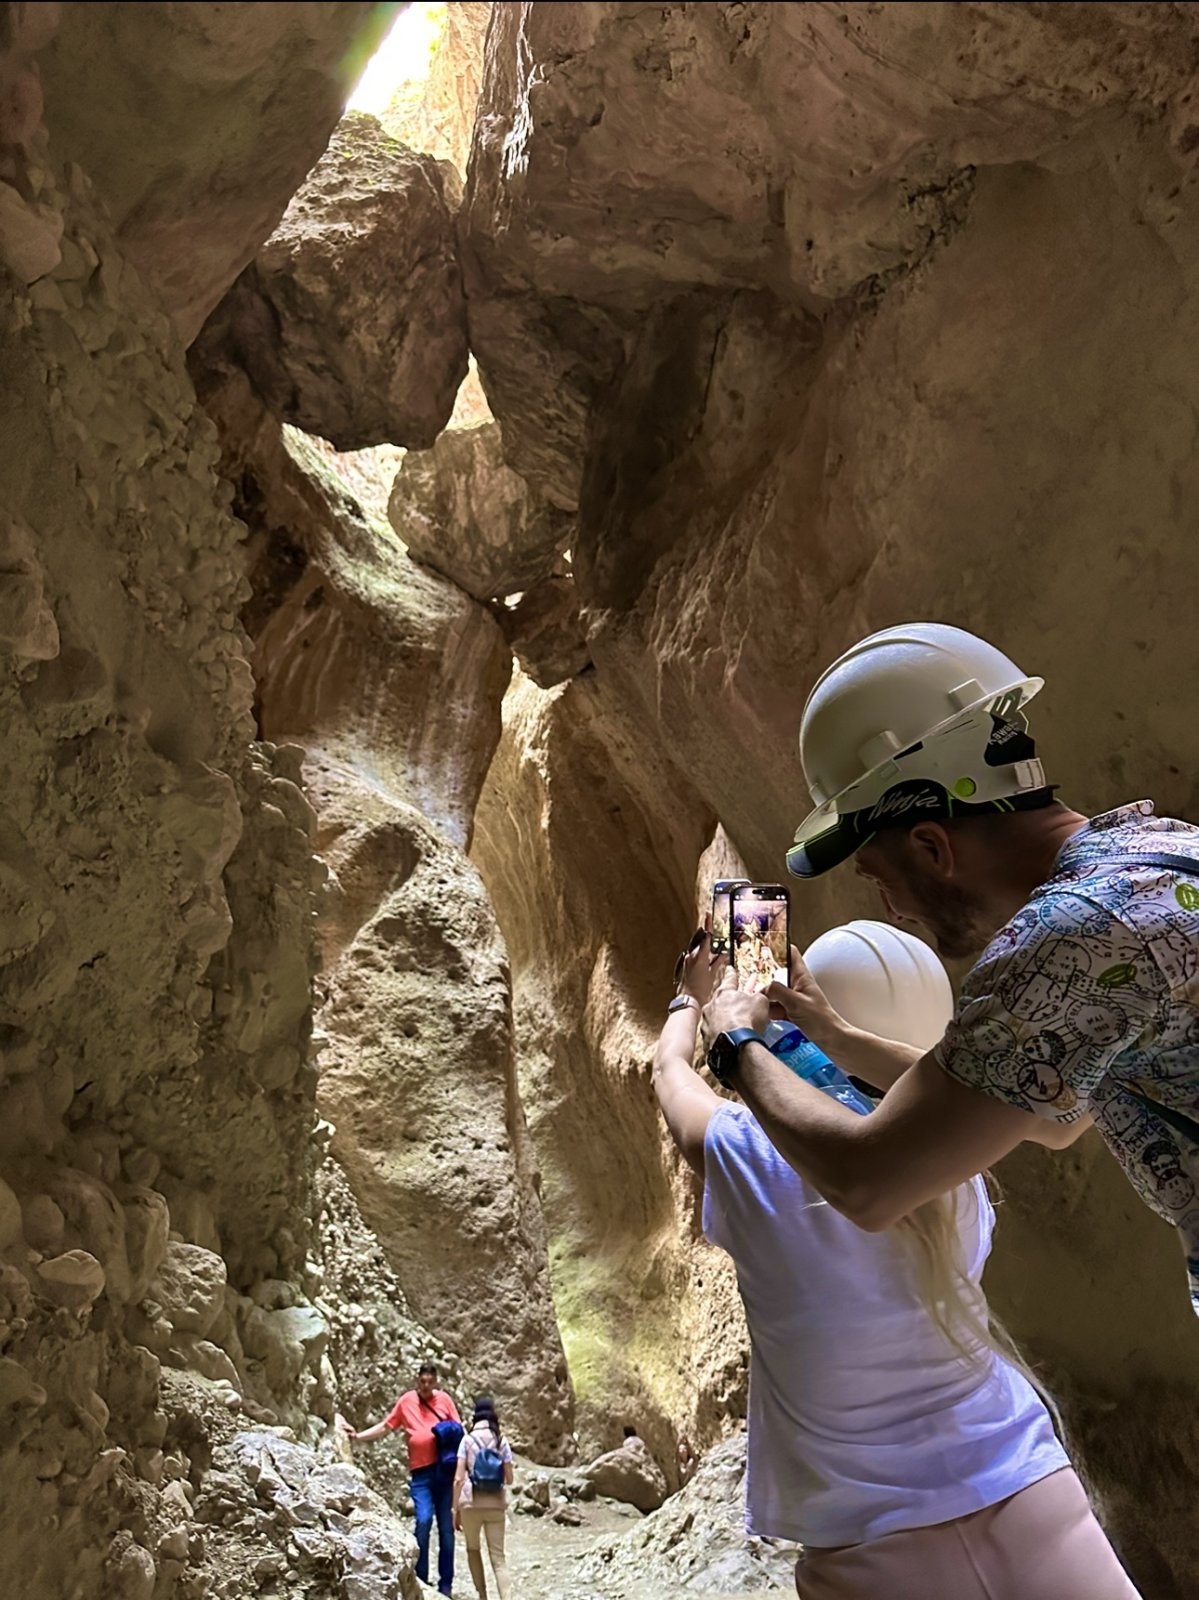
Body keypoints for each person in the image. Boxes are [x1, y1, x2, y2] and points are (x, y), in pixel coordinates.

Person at [701, 622, 1199, 1313]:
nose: (894, 910)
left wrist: (734, 1043)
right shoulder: (1157, 847)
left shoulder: (1069, 938)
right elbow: (1053, 1118)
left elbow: (868, 1182)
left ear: (931, 845)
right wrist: (832, 1035)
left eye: (880, 878)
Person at [655, 929, 1141, 1598]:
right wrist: (836, 1034)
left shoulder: (748, 1157)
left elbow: (669, 1075)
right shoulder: (955, 1155)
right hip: (1027, 1489)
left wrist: (694, 1004)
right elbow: (949, 1087)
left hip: (864, 1537)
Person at [343, 1362, 460, 1596]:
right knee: (424, 1520)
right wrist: (358, 1436)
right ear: (417, 1380)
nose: (425, 1386)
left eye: (430, 1382)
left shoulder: (445, 1400)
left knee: (446, 1528)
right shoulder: (407, 1401)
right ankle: (422, 1577)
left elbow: (459, 1429)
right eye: (422, 1381)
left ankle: (445, 1583)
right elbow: (387, 1426)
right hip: (421, 1474)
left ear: (435, 1381)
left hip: (444, 1471)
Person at [453, 1398, 514, 1600]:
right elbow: (510, 1478)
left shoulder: (467, 1440)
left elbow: (458, 1479)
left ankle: (482, 1596)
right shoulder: (501, 1441)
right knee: (498, 1558)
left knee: (473, 1549)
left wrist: (455, 1510)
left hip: (470, 1503)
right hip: (496, 1504)